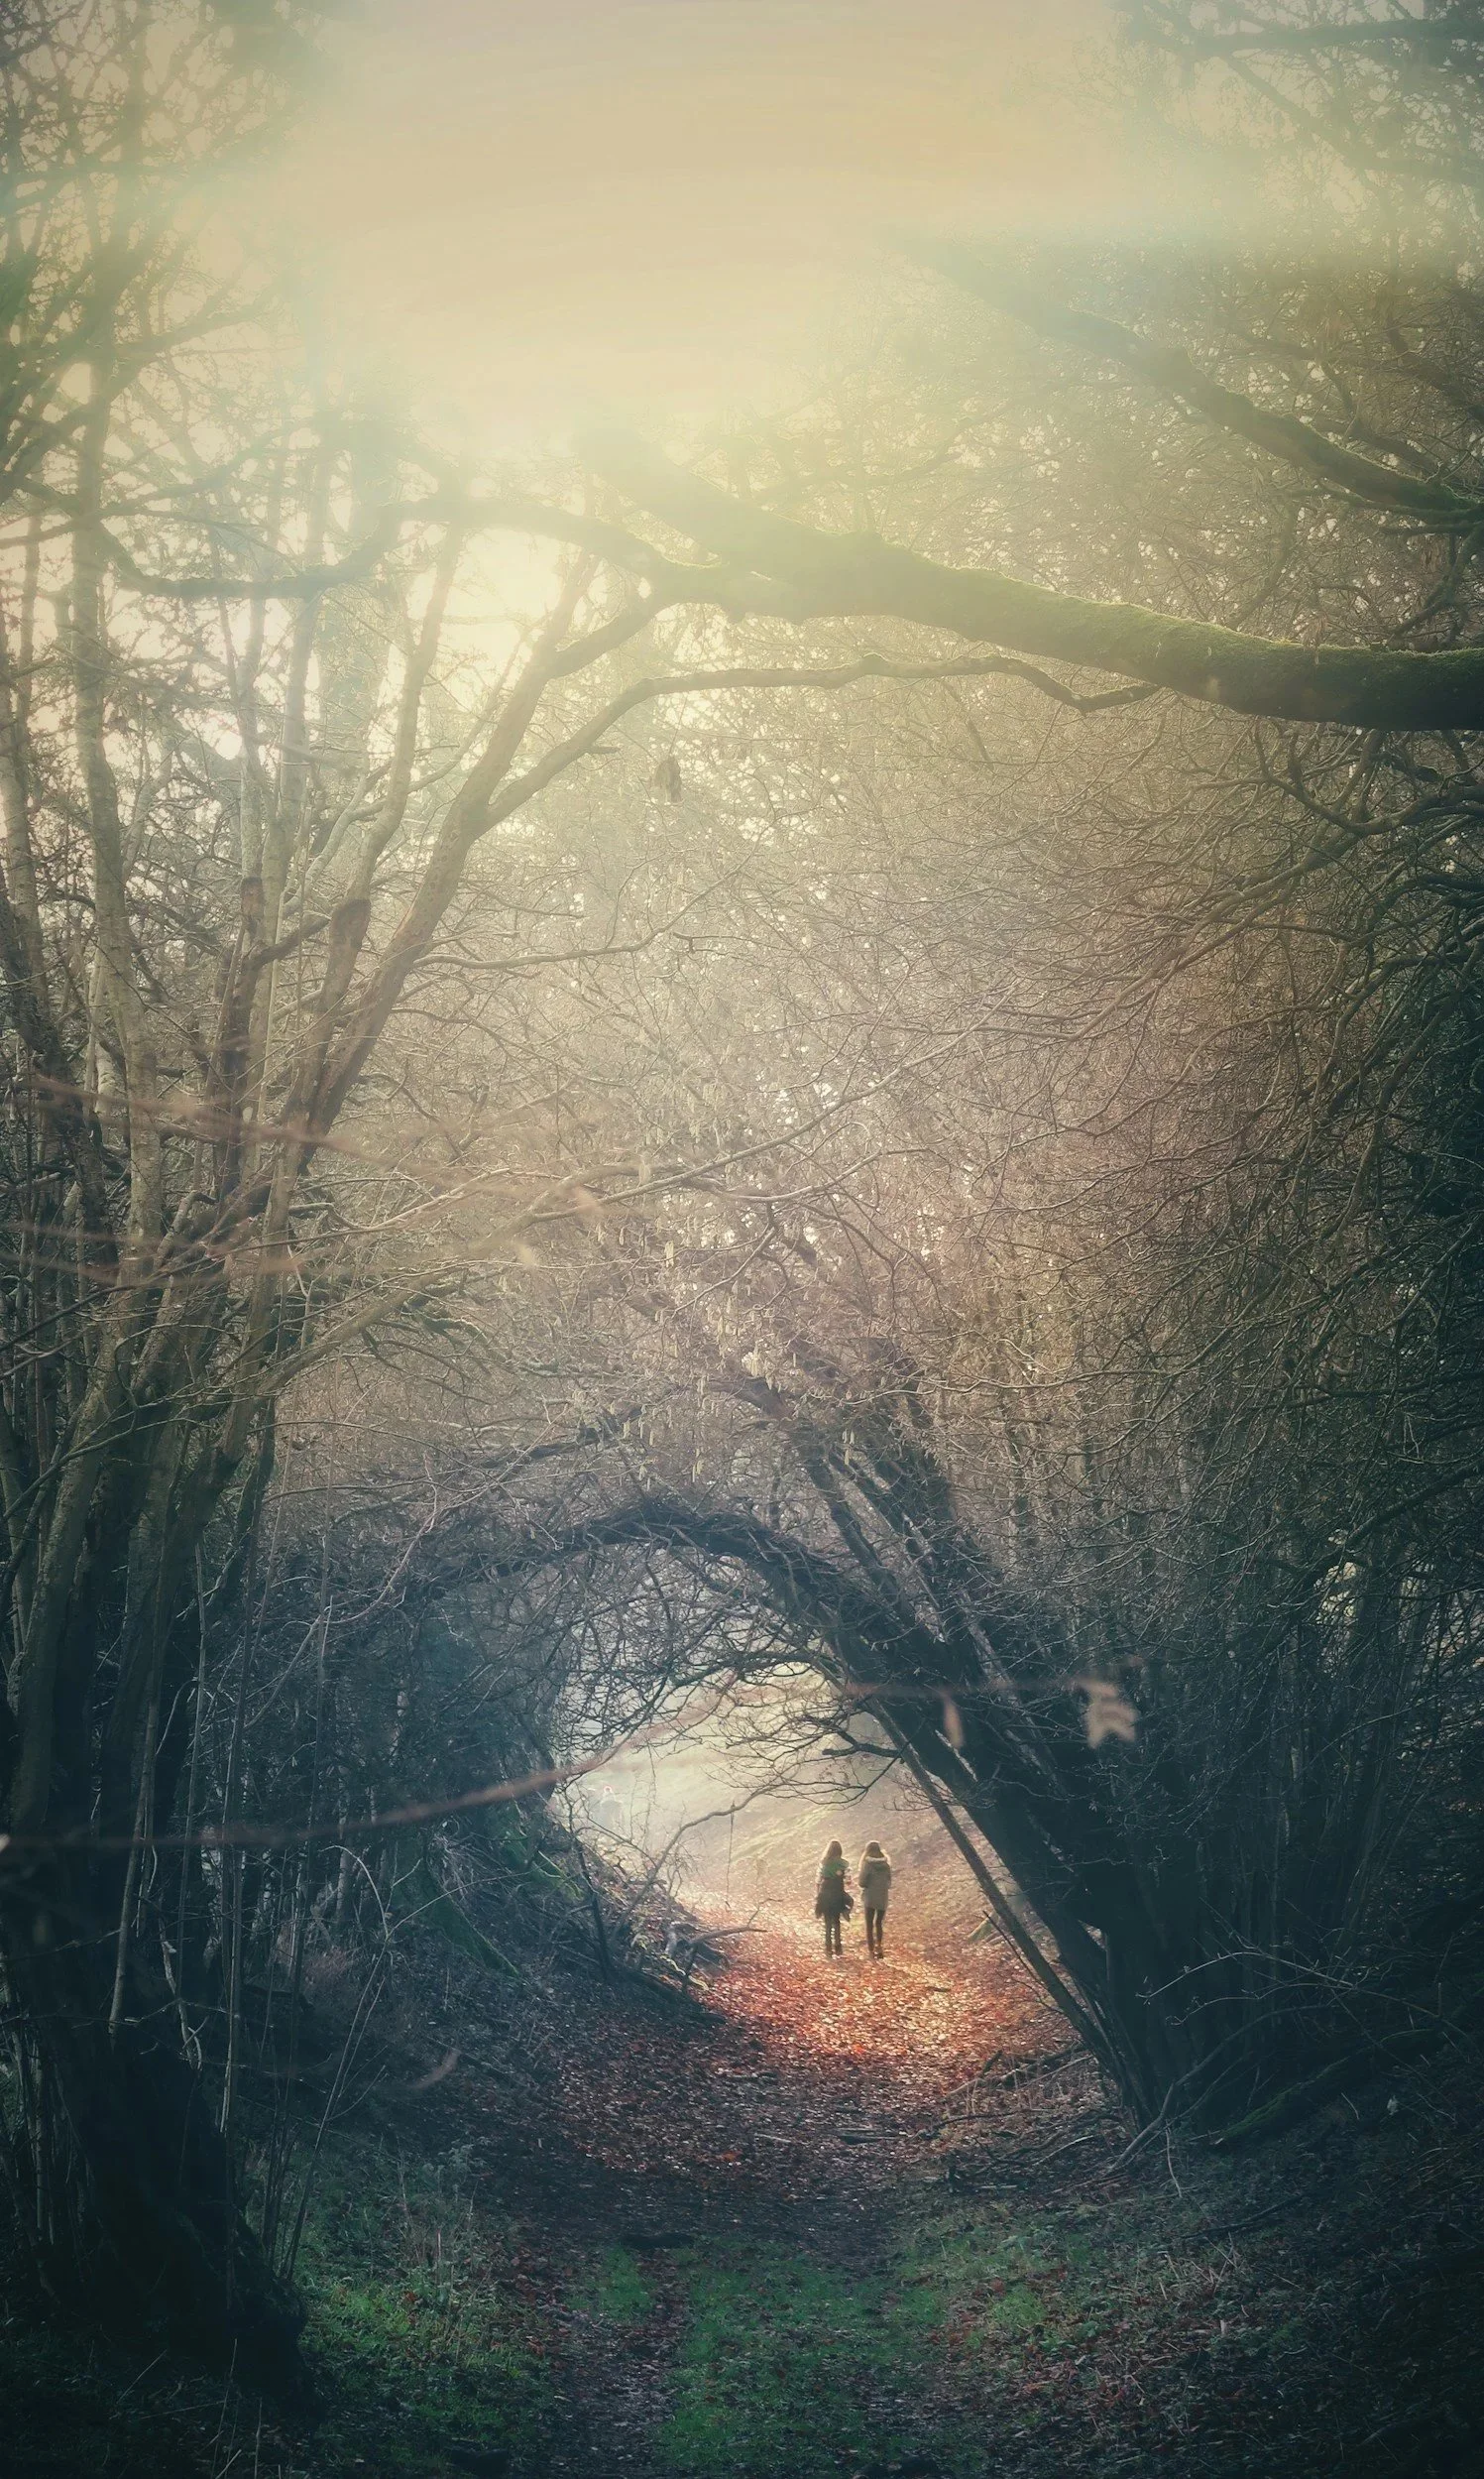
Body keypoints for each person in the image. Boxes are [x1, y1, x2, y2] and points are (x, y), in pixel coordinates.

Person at [814, 1838, 852, 1957]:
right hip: (837, 1893)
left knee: (827, 1922)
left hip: (824, 1893)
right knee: (836, 1921)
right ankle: (838, 1948)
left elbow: (818, 1881)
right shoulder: (844, 1864)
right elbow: (849, 1881)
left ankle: (828, 1948)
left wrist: (818, 1895)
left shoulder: (823, 1863)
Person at [858, 1840, 892, 1959]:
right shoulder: (886, 1865)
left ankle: (871, 1951)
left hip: (870, 1897)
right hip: (882, 1896)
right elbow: (889, 1882)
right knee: (879, 1923)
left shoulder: (867, 1864)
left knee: (869, 1924)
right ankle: (879, 1946)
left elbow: (862, 1882)